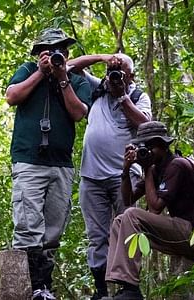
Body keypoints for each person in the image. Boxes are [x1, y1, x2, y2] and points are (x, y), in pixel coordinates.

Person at [5, 28, 92, 300]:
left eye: (62, 50)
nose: (57, 55)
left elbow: (79, 113)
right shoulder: (28, 70)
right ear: (40, 53)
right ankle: (28, 289)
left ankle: (43, 288)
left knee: (53, 229)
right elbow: (12, 96)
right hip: (29, 161)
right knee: (28, 226)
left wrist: (63, 77)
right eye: (50, 50)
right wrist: (41, 73)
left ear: (67, 54)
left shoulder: (77, 80)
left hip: (61, 165)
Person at [68, 54, 152, 299]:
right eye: (111, 71)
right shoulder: (98, 88)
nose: (114, 75)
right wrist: (104, 58)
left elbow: (145, 124)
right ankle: (101, 291)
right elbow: (70, 67)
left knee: (127, 230)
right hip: (91, 177)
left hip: (123, 177)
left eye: (120, 71)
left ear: (131, 76)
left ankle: (129, 289)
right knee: (96, 235)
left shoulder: (138, 96)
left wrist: (122, 96)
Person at [105, 121, 194, 300]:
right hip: (184, 233)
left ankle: (131, 286)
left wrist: (147, 169)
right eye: (143, 146)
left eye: (150, 146)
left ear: (163, 145)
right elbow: (128, 199)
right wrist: (126, 170)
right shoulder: (158, 169)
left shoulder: (176, 166)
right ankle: (126, 286)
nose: (146, 151)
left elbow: (155, 208)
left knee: (132, 215)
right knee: (120, 220)